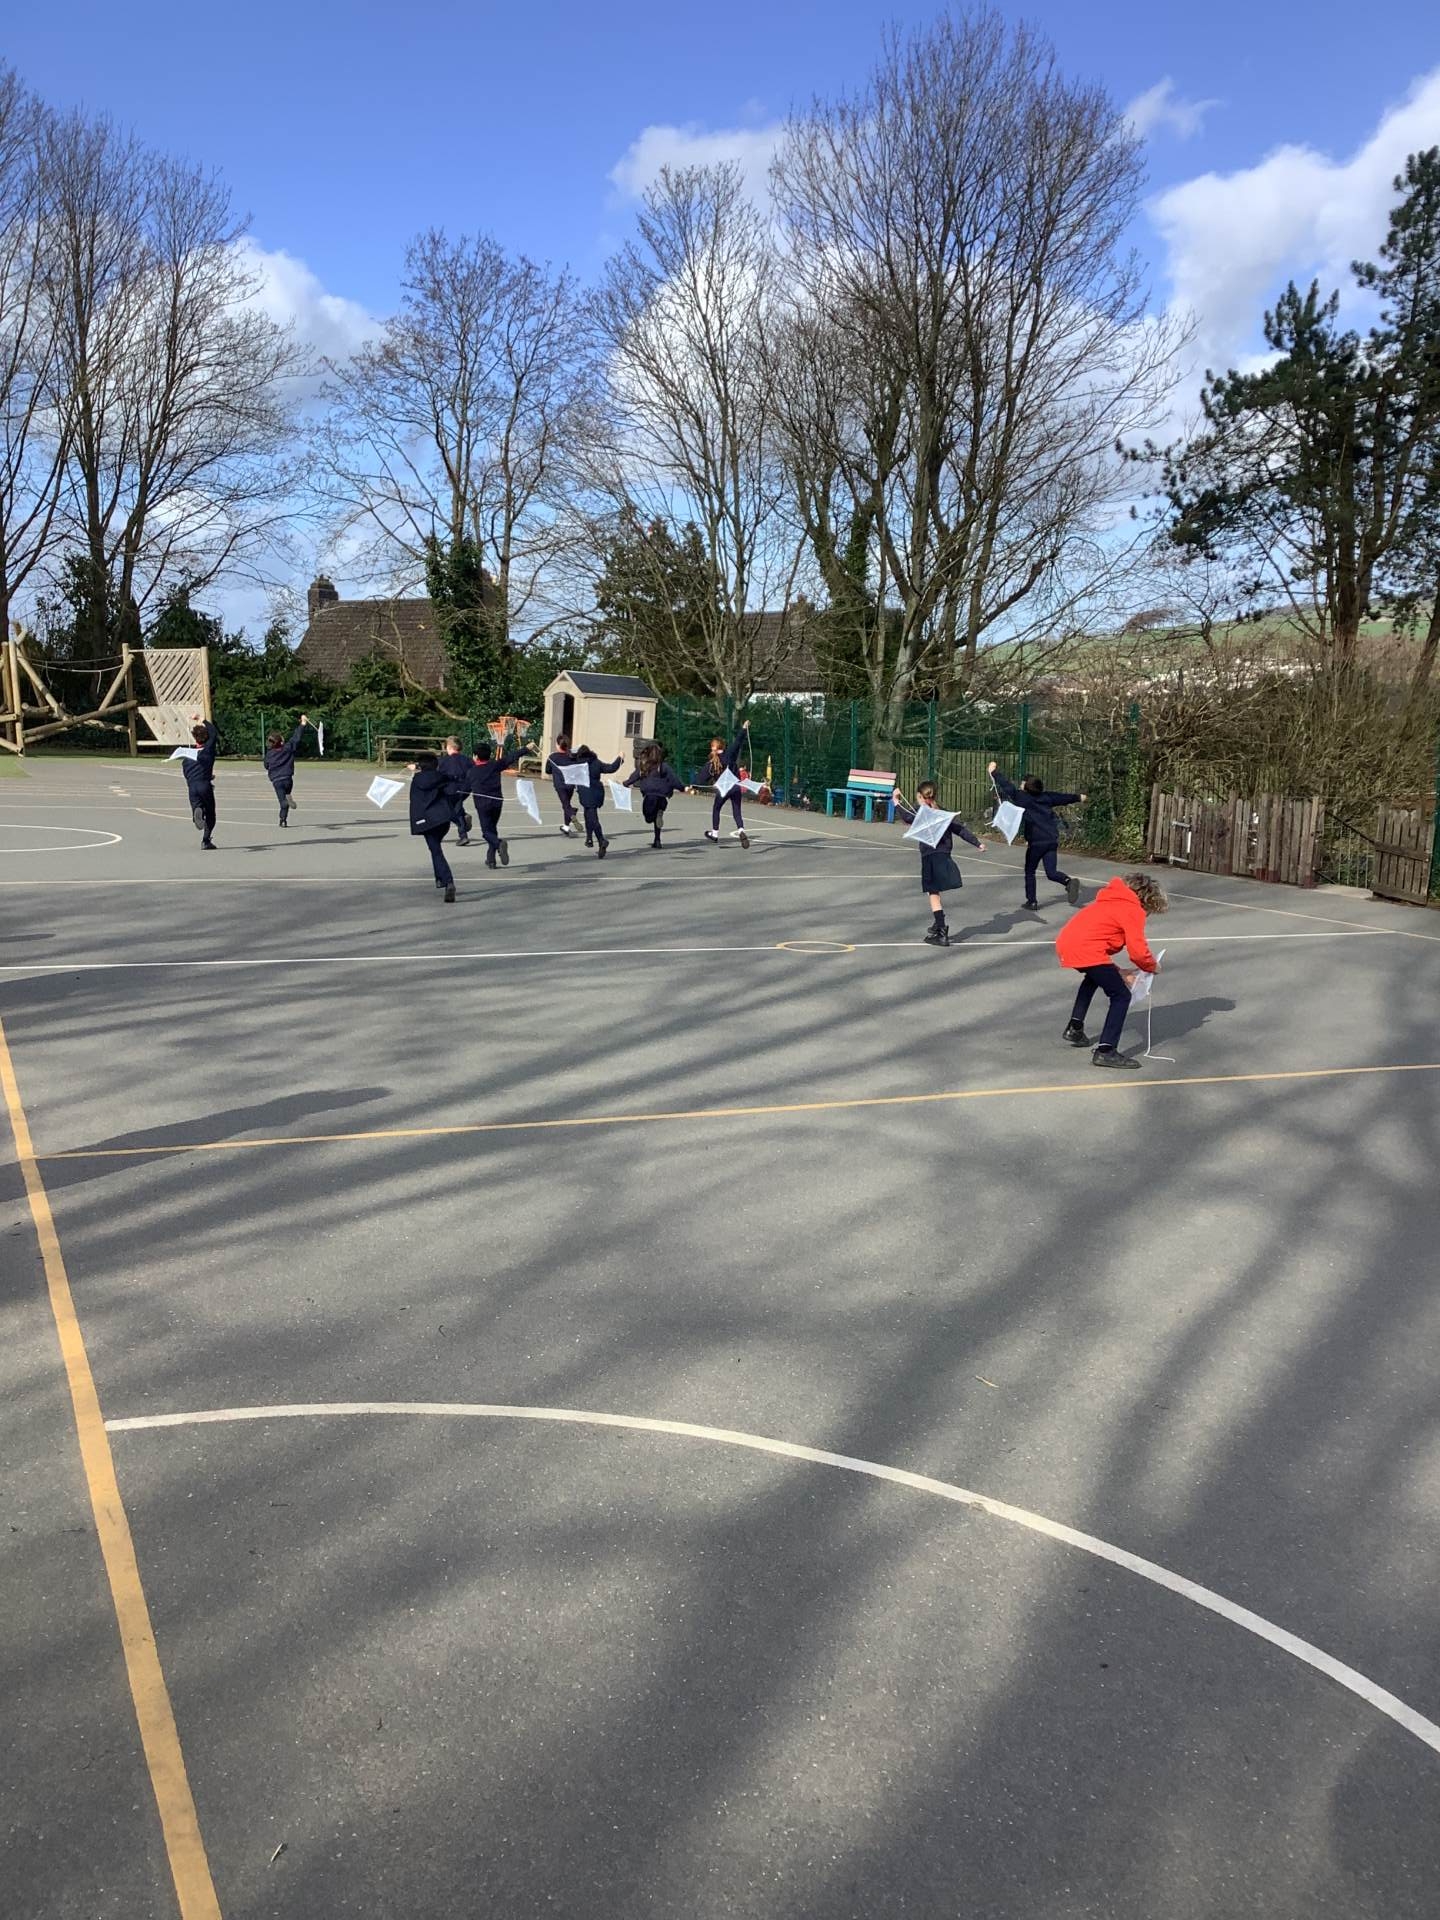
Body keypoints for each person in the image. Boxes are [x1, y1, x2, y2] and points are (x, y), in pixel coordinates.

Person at [1055, 872, 1169, 1069]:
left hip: (1068, 944)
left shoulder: (1108, 900)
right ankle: (1106, 1051)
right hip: (1087, 950)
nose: (1147, 915)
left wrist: (1119, 972)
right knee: (1121, 996)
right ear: (1147, 901)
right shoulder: (1132, 909)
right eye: (1150, 911)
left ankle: (1075, 1027)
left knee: (1092, 979)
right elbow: (1138, 952)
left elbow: (1095, 944)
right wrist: (1152, 966)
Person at [891, 781, 985, 946]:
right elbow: (960, 830)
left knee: (933, 893)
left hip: (930, 856)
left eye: (918, 798)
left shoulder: (921, 812)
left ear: (920, 797)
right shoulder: (943, 813)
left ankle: (941, 931)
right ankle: (938, 922)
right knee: (934, 891)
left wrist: (896, 801)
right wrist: (977, 843)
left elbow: (907, 817)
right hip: (944, 854)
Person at [988, 761, 1084, 910]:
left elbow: (1008, 787)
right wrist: (1078, 797)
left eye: (1022, 783)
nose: (1020, 784)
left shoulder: (1023, 798)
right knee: (1051, 872)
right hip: (1051, 840)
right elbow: (1063, 798)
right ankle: (1068, 881)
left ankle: (1032, 901)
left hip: (1037, 842)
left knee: (1030, 871)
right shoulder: (1047, 797)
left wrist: (994, 772)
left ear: (1026, 786)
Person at [465, 734, 525, 869]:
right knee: (492, 829)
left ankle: (499, 844)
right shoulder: (494, 766)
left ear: (475, 756)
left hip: (483, 805)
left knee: (487, 832)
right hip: (497, 802)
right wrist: (526, 749)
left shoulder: (472, 772)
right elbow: (510, 758)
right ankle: (491, 859)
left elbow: (464, 789)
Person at [689, 726, 751, 848]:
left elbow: (701, 777)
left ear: (714, 748)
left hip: (723, 789)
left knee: (716, 808)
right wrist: (744, 729)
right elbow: (738, 742)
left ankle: (715, 833)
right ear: (723, 747)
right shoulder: (730, 754)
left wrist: (693, 786)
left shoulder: (712, 763)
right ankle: (741, 830)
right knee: (736, 810)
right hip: (736, 786)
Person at [407, 752, 457, 902]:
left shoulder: (417, 780)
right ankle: (440, 879)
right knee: (435, 849)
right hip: (442, 819)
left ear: (420, 766)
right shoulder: (442, 777)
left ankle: (448, 881)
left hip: (427, 821)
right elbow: (453, 790)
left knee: (436, 851)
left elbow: (415, 801)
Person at [625, 742, 686, 848]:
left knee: (648, 818)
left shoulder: (644, 766)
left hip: (650, 796)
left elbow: (635, 776)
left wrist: (626, 783)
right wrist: (682, 788)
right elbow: (673, 779)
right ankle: (657, 840)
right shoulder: (664, 766)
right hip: (662, 797)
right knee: (657, 816)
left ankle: (656, 817)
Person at [573, 743, 623, 859]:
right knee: (588, 814)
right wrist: (620, 758)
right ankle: (589, 838)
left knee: (592, 818)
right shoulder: (596, 762)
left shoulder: (578, 764)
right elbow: (611, 768)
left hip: (585, 793)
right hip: (596, 793)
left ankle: (601, 840)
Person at [263, 714, 310, 827]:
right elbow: (296, 737)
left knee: (283, 802)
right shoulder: (288, 748)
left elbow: (266, 765)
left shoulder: (269, 754)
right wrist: (303, 723)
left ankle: (284, 815)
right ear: (281, 742)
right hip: (288, 779)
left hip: (277, 781)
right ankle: (283, 819)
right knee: (286, 796)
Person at [183, 715, 220, 851]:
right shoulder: (208, 750)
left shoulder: (188, 755)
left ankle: (197, 811)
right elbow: (213, 732)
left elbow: (186, 772)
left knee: (197, 806)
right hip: (204, 784)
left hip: (192, 786)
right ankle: (206, 840)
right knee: (210, 813)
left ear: (195, 738)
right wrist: (202, 719)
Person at [545, 733, 582, 838]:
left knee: (566, 805)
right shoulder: (572, 757)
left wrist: (551, 764)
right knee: (567, 804)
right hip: (570, 784)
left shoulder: (553, 757)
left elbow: (547, 771)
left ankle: (572, 814)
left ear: (558, 745)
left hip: (560, 785)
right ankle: (566, 826)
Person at [439, 735, 473, 846]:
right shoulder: (468, 760)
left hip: (450, 790)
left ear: (449, 747)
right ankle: (463, 831)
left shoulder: (444, 761)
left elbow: (435, 771)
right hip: (465, 790)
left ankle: (463, 831)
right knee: (457, 809)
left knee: (449, 812)